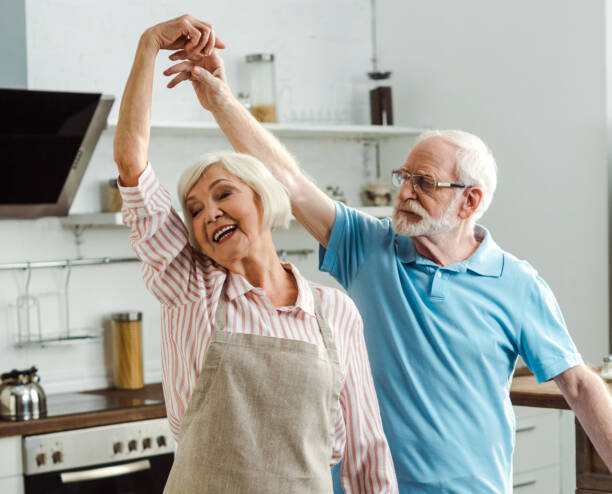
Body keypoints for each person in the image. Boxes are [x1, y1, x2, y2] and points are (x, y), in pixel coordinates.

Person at [162, 18, 612, 493]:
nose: (406, 193)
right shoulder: (368, 246)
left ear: (471, 201)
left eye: (425, 183)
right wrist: (220, 99)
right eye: (405, 177)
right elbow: (288, 182)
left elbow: (581, 387)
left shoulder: (517, 283)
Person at [113, 15, 398, 494]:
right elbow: (131, 162)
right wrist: (147, 47)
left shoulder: (332, 312)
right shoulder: (191, 286)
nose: (210, 213)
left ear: (263, 199)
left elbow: (366, 448)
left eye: (224, 194)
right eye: (195, 209)